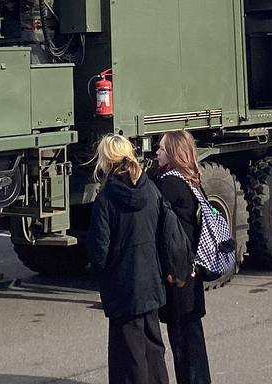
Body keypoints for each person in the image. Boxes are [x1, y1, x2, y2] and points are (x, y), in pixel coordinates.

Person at [86, 133, 170, 384]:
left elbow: (99, 250)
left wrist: (98, 272)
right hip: (151, 282)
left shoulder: (107, 198)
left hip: (123, 286)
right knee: (153, 348)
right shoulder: (151, 189)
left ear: (106, 161)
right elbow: (163, 232)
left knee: (127, 354)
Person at [155, 130, 211, 384]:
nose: (156, 152)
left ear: (173, 153)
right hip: (192, 271)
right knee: (193, 338)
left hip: (178, 274)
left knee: (183, 343)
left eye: (162, 148)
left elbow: (163, 231)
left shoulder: (168, 184)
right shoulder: (192, 180)